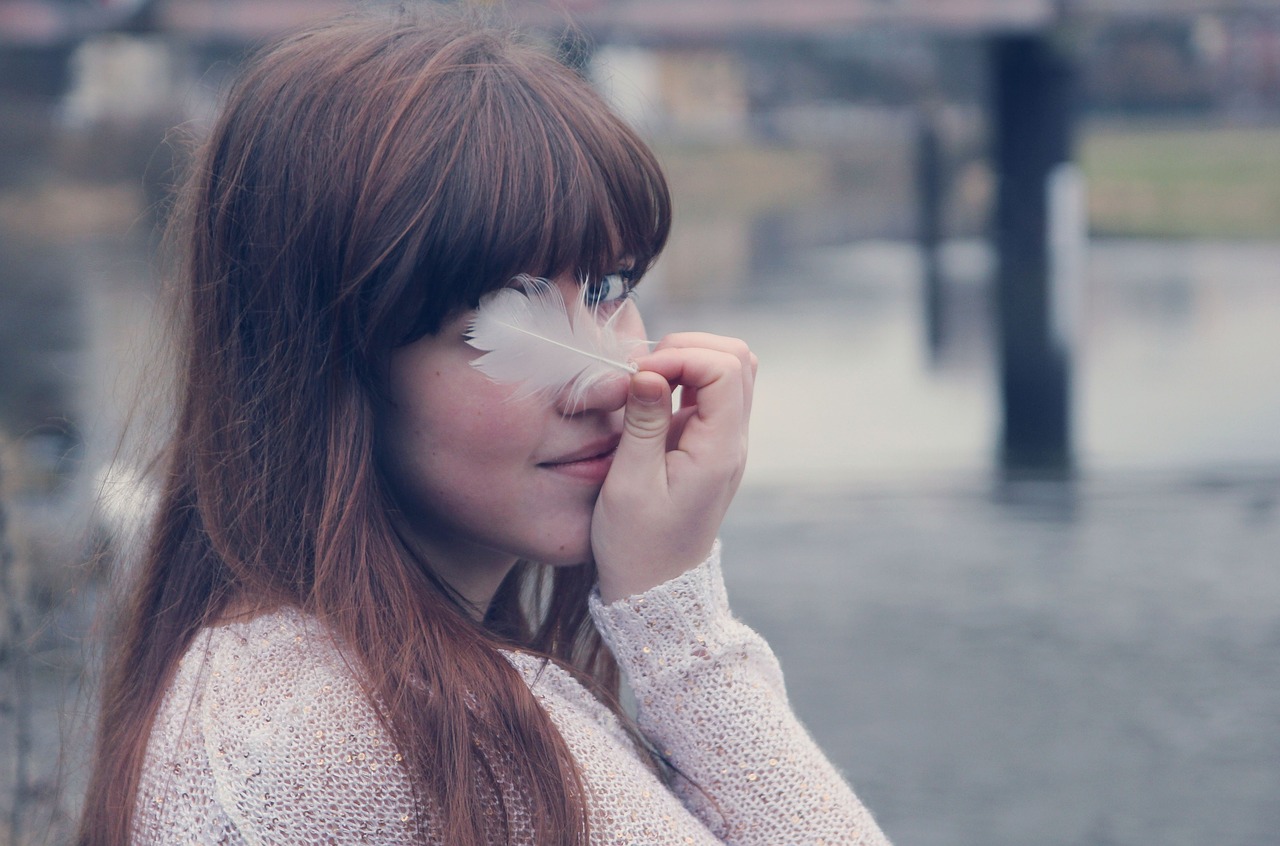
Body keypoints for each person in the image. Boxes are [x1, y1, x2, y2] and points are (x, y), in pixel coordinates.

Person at [77, 9, 891, 845]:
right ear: (325, 360)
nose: (610, 379)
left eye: (609, 288)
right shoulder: (352, 737)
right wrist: (678, 624)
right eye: (507, 317)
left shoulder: (310, 689)